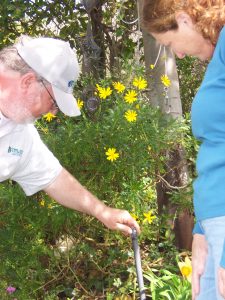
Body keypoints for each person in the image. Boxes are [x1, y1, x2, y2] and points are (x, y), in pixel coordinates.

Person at [0, 36, 140, 240]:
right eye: (53, 102)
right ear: (28, 82)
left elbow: (54, 178)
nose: (53, 112)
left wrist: (102, 211)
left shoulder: (21, 135)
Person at [141, 1, 225, 299]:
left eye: (170, 42)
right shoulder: (217, 60)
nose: (177, 53)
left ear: (184, 19)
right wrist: (202, 229)